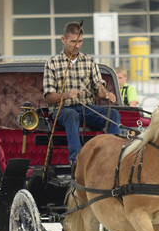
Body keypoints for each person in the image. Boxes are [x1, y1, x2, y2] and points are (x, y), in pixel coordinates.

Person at [43, 22, 121, 165]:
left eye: (80, 41)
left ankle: (113, 156)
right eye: (73, 41)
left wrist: (106, 94)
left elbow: (99, 86)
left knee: (113, 114)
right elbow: (49, 97)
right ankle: (76, 160)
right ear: (63, 40)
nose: (77, 45)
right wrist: (66, 95)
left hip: (86, 108)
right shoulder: (52, 63)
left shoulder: (89, 61)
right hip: (62, 110)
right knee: (71, 114)